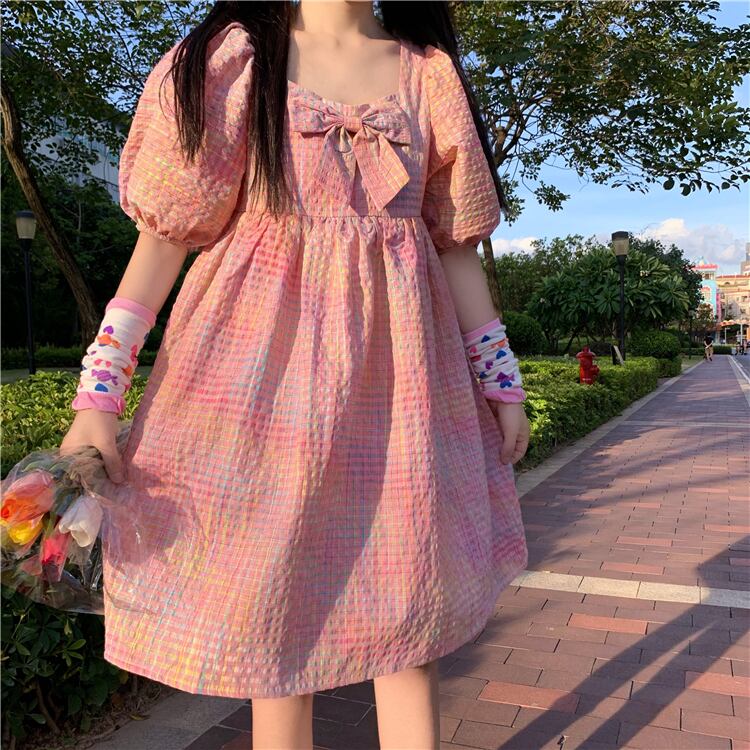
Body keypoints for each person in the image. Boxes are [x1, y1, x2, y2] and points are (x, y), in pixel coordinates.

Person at [59, 2, 530, 748]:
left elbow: (456, 245)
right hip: (258, 387)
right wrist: (100, 392)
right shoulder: (233, 63)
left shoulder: (428, 73)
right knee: (273, 625)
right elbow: (163, 240)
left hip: (402, 391)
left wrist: (501, 379)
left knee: (411, 608)